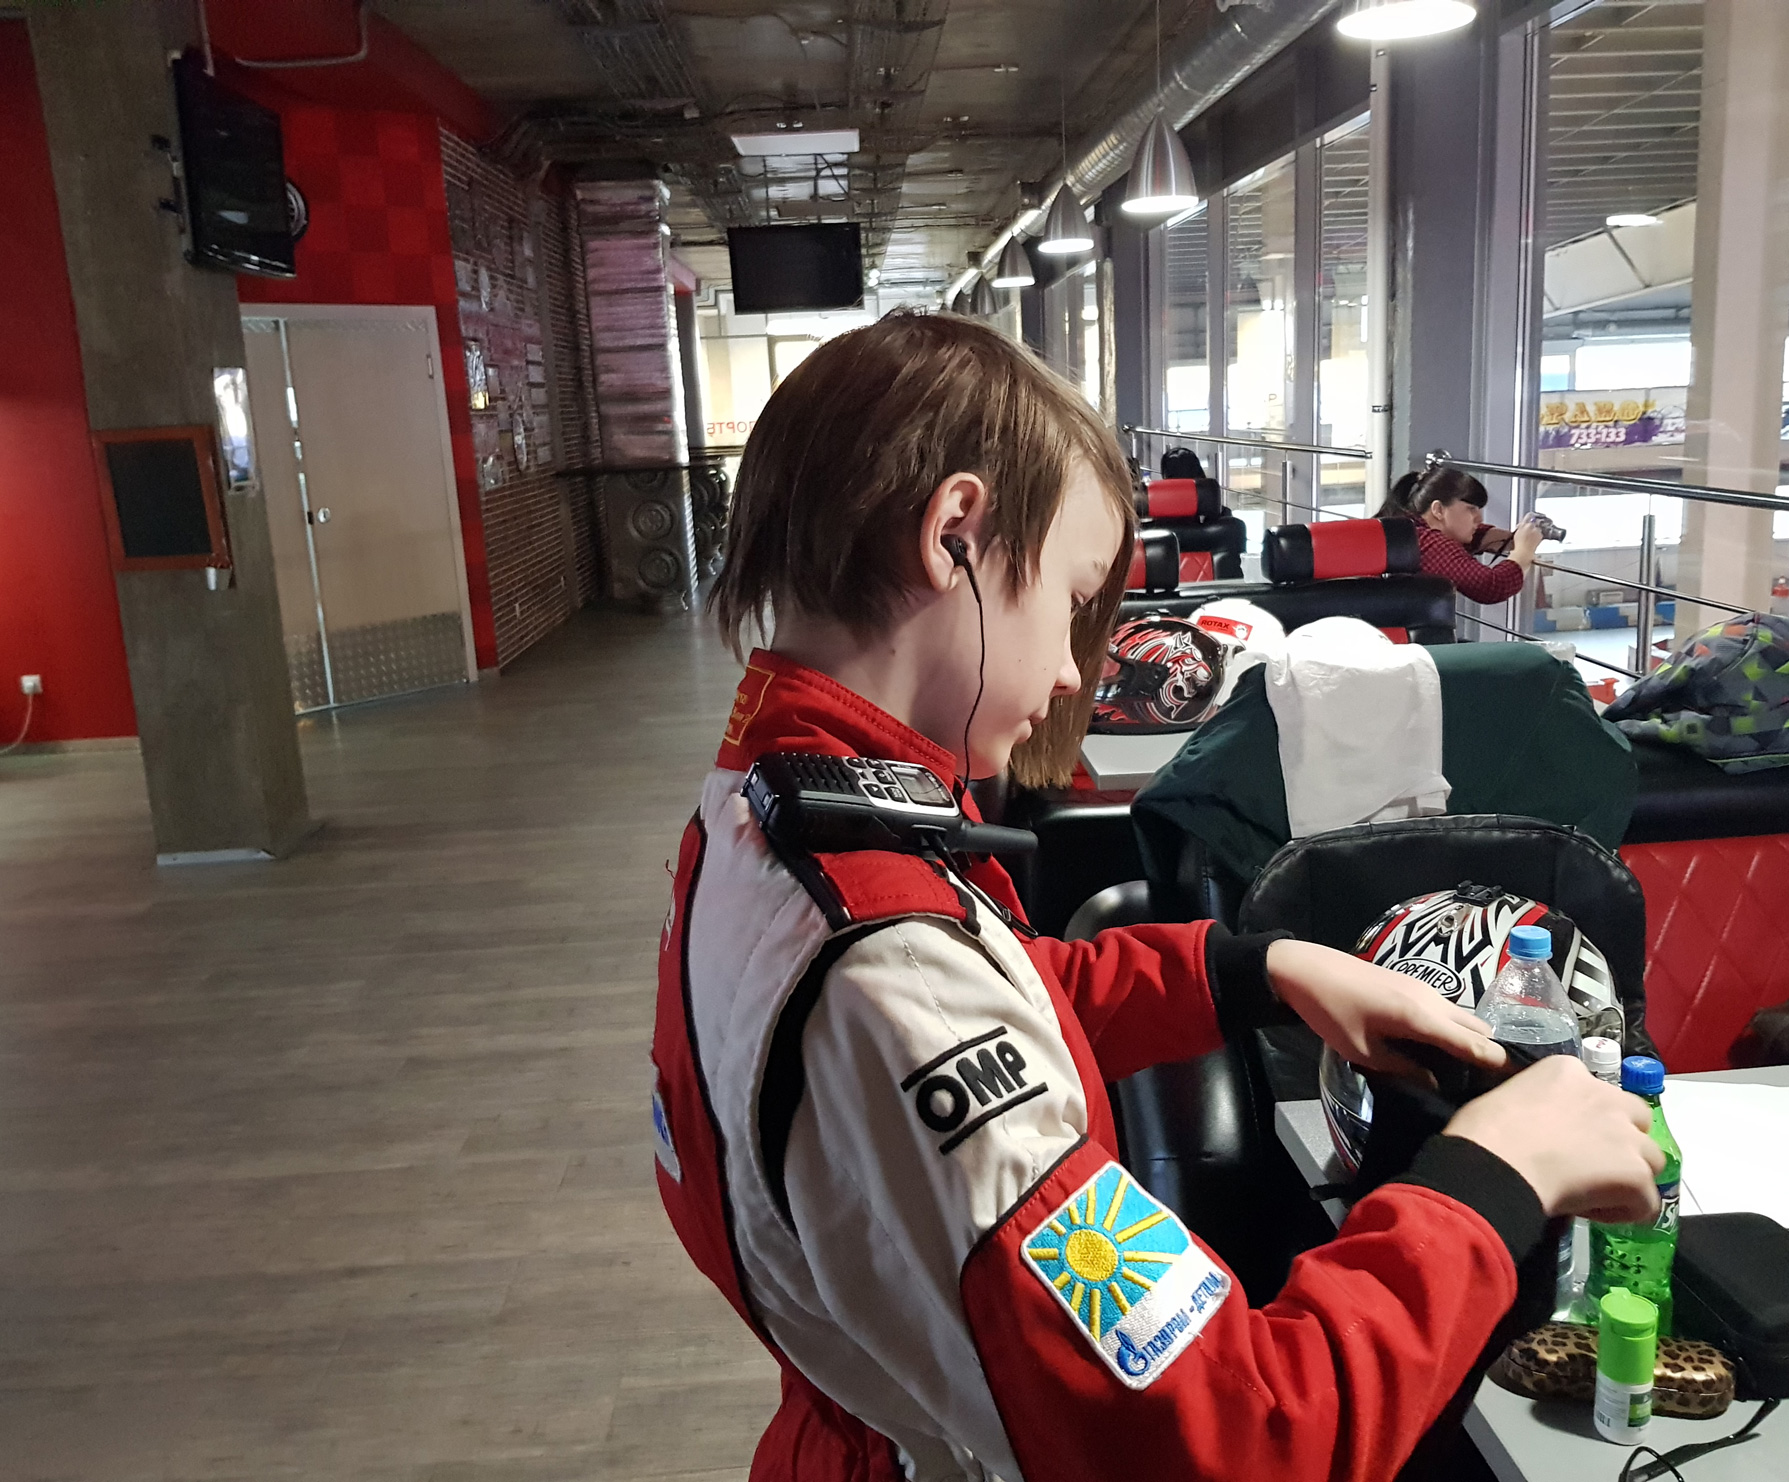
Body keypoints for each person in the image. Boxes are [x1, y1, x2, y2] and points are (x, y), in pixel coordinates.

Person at [653, 311, 1663, 1482]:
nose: (1071, 670)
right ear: (953, 535)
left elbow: (990, 989)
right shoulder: (883, 966)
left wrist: (1252, 970)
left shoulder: (768, 810)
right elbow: (1239, 1441)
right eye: (1070, 598)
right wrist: (1493, 1179)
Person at [1385, 465, 1541, 605]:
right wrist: (1524, 552)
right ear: (1438, 510)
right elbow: (1492, 586)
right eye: (1471, 509)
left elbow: (1467, 536)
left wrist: (1510, 538)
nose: (1479, 518)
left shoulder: (1407, 527)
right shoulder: (1430, 544)